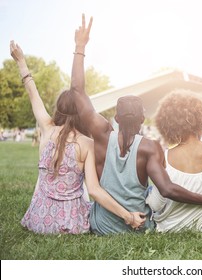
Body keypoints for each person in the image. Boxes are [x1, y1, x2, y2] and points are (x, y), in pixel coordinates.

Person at [70, 15, 202, 235]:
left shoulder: (101, 133)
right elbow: (167, 189)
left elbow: (77, 91)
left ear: (115, 118)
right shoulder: (149, 147)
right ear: (143, 119)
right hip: (137, 226)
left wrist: (80, 47)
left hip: (102, 226)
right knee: (155, 190)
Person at [10, 39, 145, 234]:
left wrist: (21, 62)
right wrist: (128, 216)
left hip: (39, 219)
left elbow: (33, 95)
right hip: (70, 223)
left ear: (59, 108)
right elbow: (94, 190)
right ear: (82, 113)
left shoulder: (47, 129)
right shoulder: (87, 143)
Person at [145, 43, 202, 232]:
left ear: (166, 123)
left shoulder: (164, 156)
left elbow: (156, 203)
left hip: (168, 229)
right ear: (199, 116)